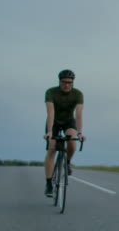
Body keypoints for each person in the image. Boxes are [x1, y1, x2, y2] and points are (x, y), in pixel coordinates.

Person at [43, 69, 87, 197]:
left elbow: (78, 114)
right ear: (59, 81)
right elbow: (50, 113)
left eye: (69, 82)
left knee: (72, 142)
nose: (67, 85)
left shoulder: (78, 94)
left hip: (69, 121)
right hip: (54, 122)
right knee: (52, 148)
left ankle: (67, 162)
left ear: (73, 82)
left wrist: (80, 133)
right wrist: (50, 132)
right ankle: (49, 184)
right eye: (64, 82)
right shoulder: (51, 92)